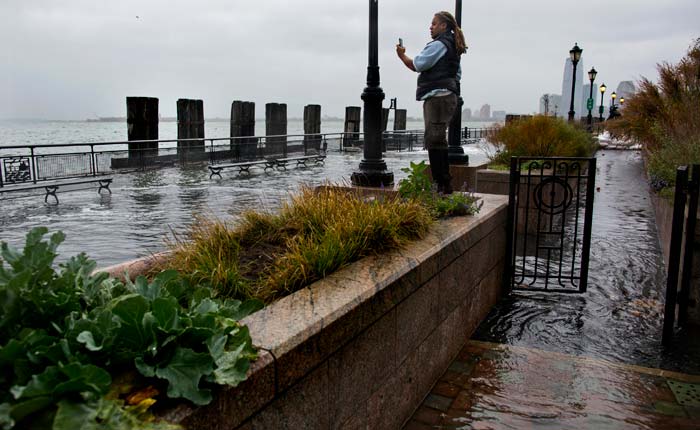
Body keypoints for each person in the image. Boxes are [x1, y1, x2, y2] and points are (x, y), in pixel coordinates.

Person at [396, 11, 467, 194]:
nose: (431, 27)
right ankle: (443, 184)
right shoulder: (452, 46)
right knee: (439, 140)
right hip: (447, 96)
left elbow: (418, 64)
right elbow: (457, 74)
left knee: (434, 140)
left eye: (434, 24)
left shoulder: (439, 45)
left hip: (438, 97)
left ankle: (442, 186)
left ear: (443, 26)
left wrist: (402, 56)